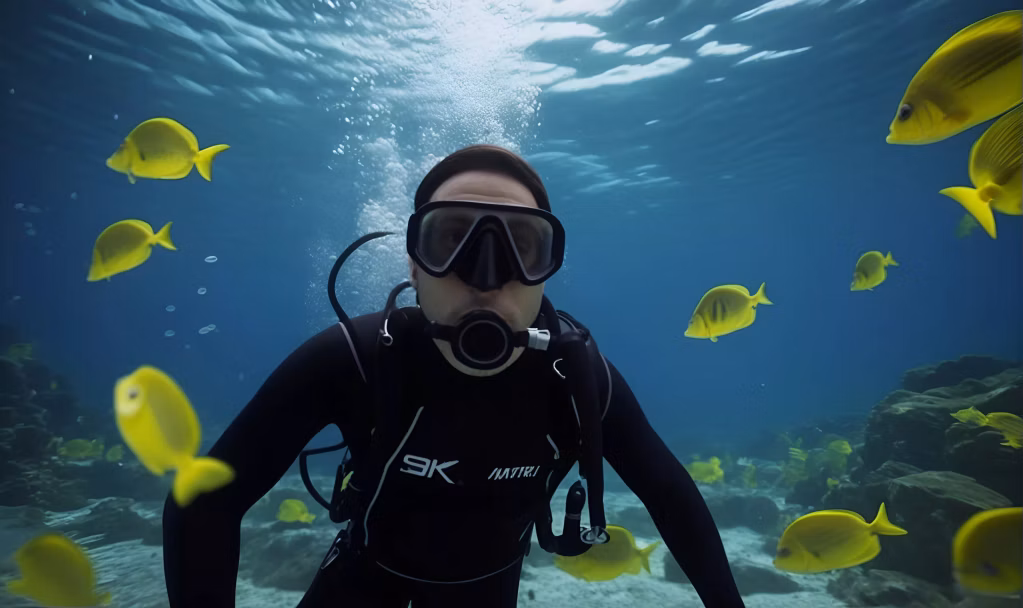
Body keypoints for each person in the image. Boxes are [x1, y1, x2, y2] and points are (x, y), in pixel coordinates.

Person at [162, 144, 746, 608]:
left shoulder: (578, 375)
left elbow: (671, 497)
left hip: (487, 589)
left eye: (523, 245)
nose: (487, 276)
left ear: (547, 272)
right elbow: (204, 503)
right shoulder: (356, 358)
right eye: (449, 240)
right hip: (364, 578)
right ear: (414, 265)